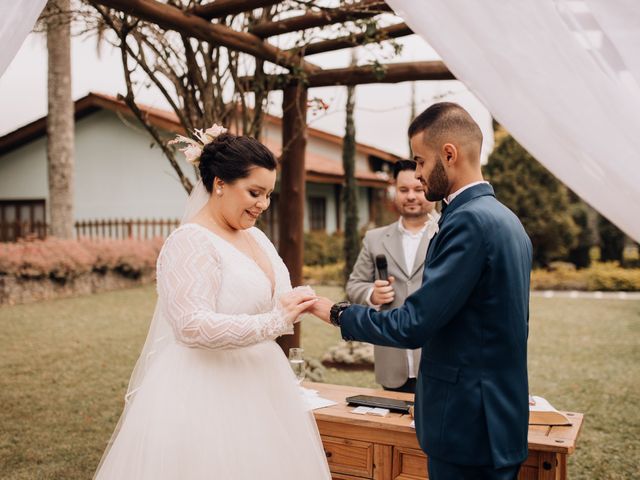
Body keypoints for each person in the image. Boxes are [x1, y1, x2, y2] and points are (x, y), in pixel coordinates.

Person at [311, 103, 532, 480]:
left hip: (467, 424)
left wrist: (337, 313)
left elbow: (412, 324)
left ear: (449, 154)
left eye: (420, 161)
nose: (417, 174)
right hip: (498, 418)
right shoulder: (507, 220)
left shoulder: (468, 222)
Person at [94, 128, 331, 480]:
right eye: (254, 192)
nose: (263, 204)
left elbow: (266, 298)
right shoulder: (189, 242)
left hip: (262, 381)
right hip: (205, 388)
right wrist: (273, 321)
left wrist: (295, 301)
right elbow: (191, 325)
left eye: (268, 194)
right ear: (220, 183)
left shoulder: (256, 236)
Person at [346, 160, 439, 393]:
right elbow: (354, 285)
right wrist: (371, 294)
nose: (411, 196)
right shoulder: (374, 238)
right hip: (391, 363)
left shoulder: (449, 233)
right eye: (403, 190)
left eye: (418, 189)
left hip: (438, 361)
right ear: (394, 191)